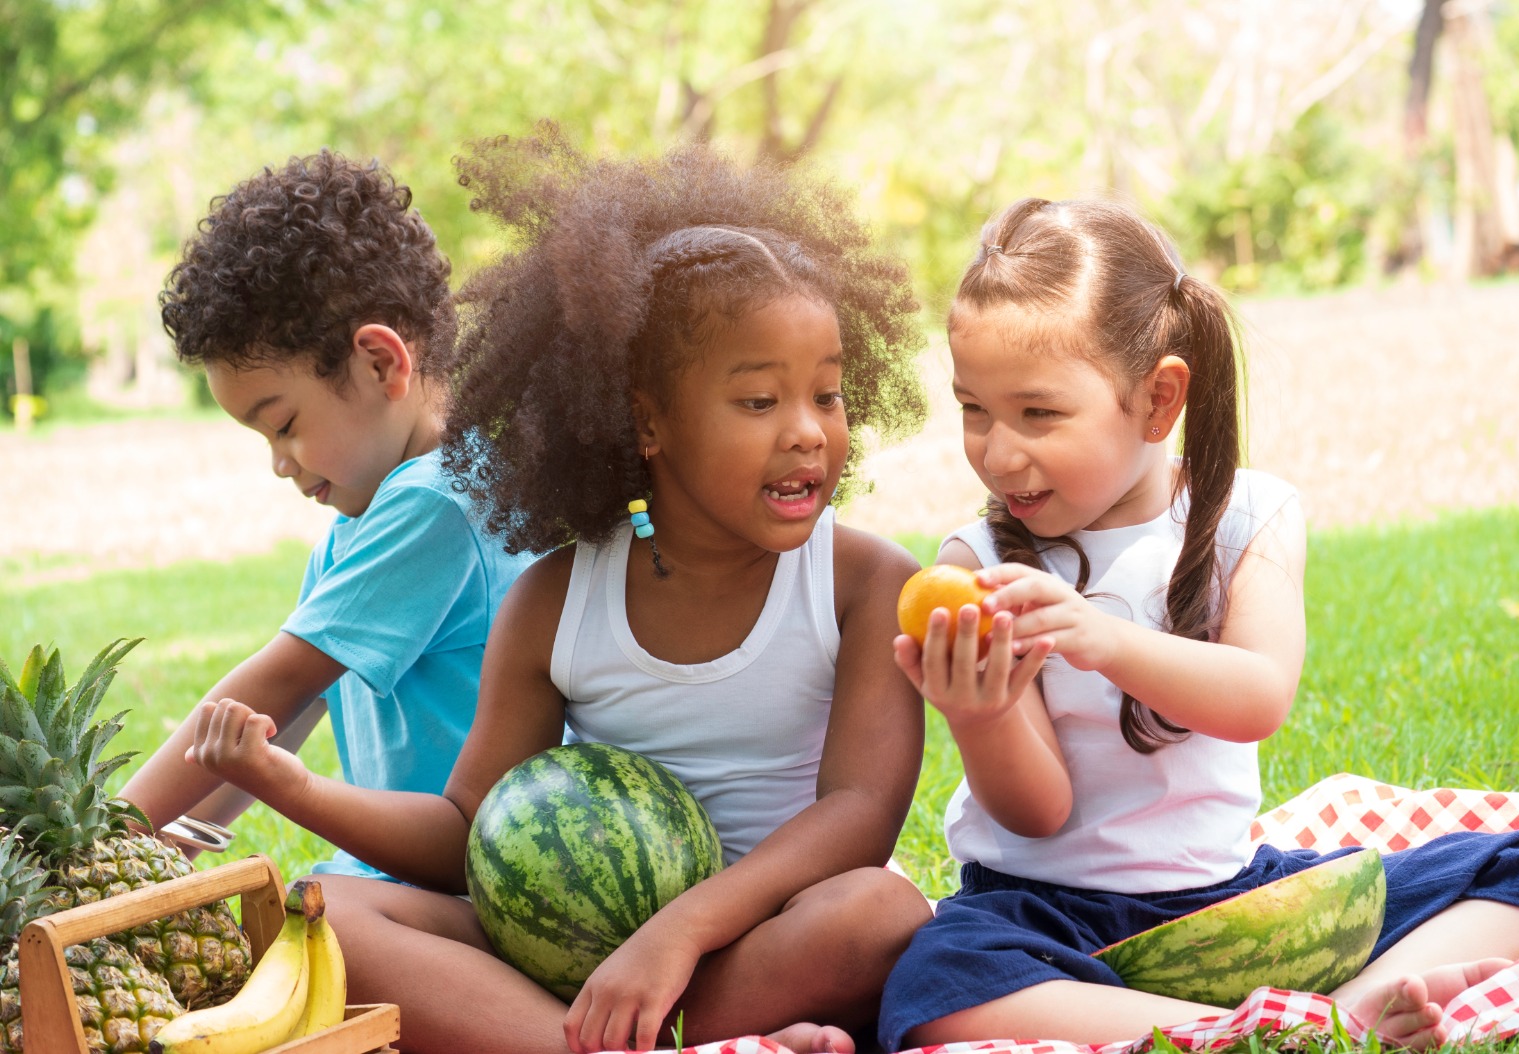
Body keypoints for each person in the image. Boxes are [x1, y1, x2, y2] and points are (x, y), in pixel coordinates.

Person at [203, 128, 935, 1054]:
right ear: (647, 420)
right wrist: (286, 783)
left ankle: (598, 1039)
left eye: (826, 395)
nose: (809, 433)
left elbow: (860, 819)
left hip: (760, 936)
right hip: (567, 959)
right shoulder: (556, 599)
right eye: (759, 401)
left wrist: (679, 932)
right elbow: (464, 833)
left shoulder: (864, 583)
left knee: (879, 911)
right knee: (328, 914)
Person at [877, 197, 1519, 1053]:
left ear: (1158, 400)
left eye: (1038, 414)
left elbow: (1256, 697)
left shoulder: (1247, 517)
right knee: (937, 984)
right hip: (1047, 919)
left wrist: (1101, 639)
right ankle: (1271, 1029)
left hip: (1230, 898)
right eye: (974, 411)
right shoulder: (976, 565)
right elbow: (1039, 815)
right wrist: (980, 711)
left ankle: (1349, 1006)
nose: (999, 453)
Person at [119, 150, 535, 882]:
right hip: (403, 870)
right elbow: (280, 718)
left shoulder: (439, 501)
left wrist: (104, 831)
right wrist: (160, 845)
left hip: (472, 880)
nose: (280, 462)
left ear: (381, 364)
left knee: (302, 916)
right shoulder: (365, 523)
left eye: (282, 425)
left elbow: (276, 683)